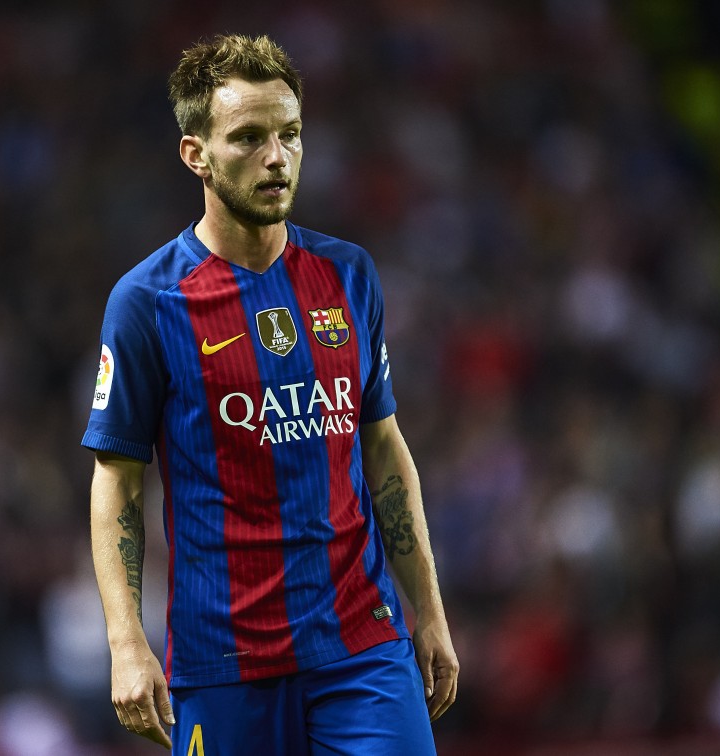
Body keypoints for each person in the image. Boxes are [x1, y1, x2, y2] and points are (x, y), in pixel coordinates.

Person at [83, 33, 458, 754]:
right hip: (225, 663)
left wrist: (430, 610)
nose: (276, 158)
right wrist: (125, 642)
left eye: (288, 135)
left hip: (361, 644)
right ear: (196, 154)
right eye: (248, 138)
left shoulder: (348, 276)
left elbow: (381, 447)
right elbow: (117, 483)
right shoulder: (147, 303)